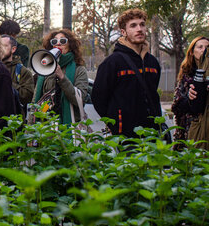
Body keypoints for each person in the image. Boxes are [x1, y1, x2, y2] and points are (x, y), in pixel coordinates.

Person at [92, 8, 162, 138]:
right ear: (123, 32)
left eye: (142, 24)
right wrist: (115, 123)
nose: (139, 29)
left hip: (152, 134)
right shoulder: (112, 63)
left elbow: (153, 93)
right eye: (133, 26)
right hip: (124, 136)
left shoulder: (153, 62)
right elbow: (98, 98)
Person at [33, 29, 88, 125]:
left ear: (70, 46)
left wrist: (62, 77)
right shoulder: (45, 70)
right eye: (54, 41)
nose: (58, 44)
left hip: (69, 126)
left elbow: (80, 99)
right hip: (46, 126)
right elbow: (35, 101)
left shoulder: (79, 70)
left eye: (63, 41)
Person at [172, 37, 209, 150]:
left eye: (207, 47)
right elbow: (177, 105)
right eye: (200, 47)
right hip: (190, 129)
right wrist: (190, 98)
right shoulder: (186, 74)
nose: (204, 50)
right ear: (192, 52)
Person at [1, 35, 34, 115]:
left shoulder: (23, 71)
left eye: (4, 46)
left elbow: (27, 97)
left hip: (14, 121)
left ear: (13, 49)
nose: (0, 49)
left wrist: (7, 82)